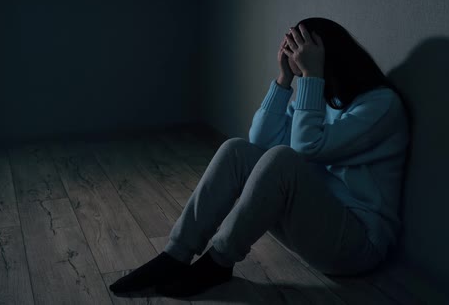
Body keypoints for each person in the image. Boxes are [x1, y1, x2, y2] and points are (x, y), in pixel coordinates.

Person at [109, 17, 410, 298]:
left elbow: (305, 148)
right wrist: (284, 78)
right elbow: (260, 141)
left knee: (284, 159)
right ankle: (176, 253)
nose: (298, 62)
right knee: (236, 149)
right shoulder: (319, 98)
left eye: (302, 55)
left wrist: (312, 77)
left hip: (357, 248)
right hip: (316, 231)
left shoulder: (381, 105)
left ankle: (218, 262)